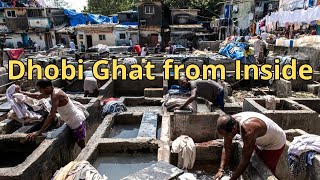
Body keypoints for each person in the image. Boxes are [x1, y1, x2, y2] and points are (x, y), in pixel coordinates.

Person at [15, 79, 87, 149]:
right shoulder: (52, 91)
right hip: (70, 119)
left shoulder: (55, 95)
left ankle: (85, 156)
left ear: (47, 88)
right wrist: (21, 92)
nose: (40, 91)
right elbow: (38, 96)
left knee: (81, 143)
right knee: (77, 140)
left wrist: (39, 132)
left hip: (75, 121)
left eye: (41, 89)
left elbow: (52, 115)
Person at [214, 112, 286, 180]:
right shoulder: (229, 122)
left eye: (227, 136)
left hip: (274, 142)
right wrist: (221, 169)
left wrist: (232, 179)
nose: (226, 138)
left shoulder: (248, 132)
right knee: (257, 162)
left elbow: (245, 160)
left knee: (265, 169)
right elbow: (226, 147)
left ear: (234, 129)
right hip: (261, 139)